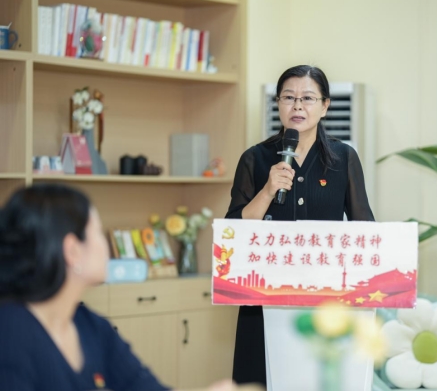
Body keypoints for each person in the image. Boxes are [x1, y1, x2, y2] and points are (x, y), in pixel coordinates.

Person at [0, 183, 260, 391]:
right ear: (72, 250)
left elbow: (143, 387)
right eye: (97, 232)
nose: (106, 243)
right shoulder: (11, 331)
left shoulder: (90, 326)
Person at [226, 65, 375, 385]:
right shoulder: (255, 158)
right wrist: (268, 191)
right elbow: (232, 233)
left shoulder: (344, 157)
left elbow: (364, 228)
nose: (297, 106)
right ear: (278, 103)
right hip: (263, 298)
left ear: (325, 106)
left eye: (307, 98)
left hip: (325, 303)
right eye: (288, 97)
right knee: (260, 380)